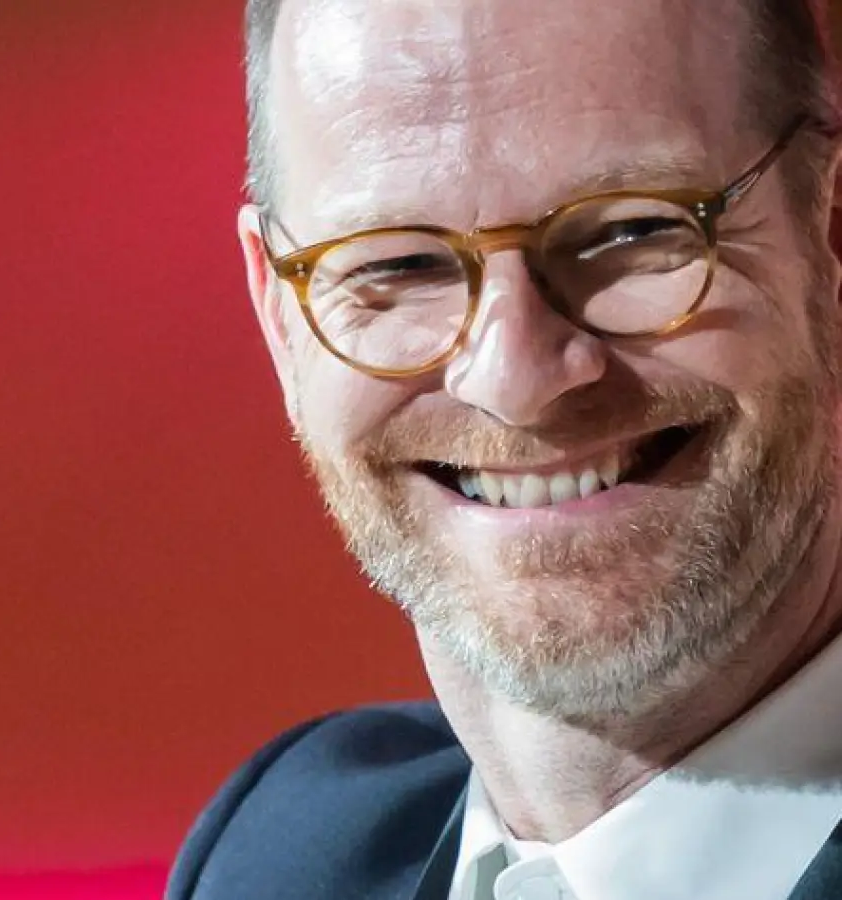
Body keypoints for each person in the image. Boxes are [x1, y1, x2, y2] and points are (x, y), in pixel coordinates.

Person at [167, 1, 842, 898]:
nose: (513, 378)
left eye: (630, 230)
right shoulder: (277, 855)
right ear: (278, 317)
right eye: (396, 265)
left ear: (829, 233)